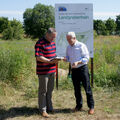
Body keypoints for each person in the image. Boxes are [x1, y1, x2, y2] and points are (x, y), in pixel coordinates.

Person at [65, 32, 94, 114]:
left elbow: (86, 58)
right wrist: (65, 59)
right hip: (74, 70)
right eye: (67, 39)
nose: (68, 41)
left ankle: (91, 107)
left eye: (69, 39)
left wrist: (78, 62)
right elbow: (68, 57)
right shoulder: (68, 47)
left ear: (74, 38)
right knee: (76, 89)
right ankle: (79, 106)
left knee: (87, 88)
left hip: (82, 69)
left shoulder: (81, 45)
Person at [35, 28, 59, 118]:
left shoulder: (52, 43)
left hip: (52, 71)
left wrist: (57, 58)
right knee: (43, 91)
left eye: (54, 37)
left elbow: (54, 54)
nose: (53, 39)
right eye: (52, 37)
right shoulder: (40, 43)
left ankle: (50, 107)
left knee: (50, 90)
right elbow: (38, 57)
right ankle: (42, 110)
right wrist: (49, 61)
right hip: (43, 71)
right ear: (47, 34)